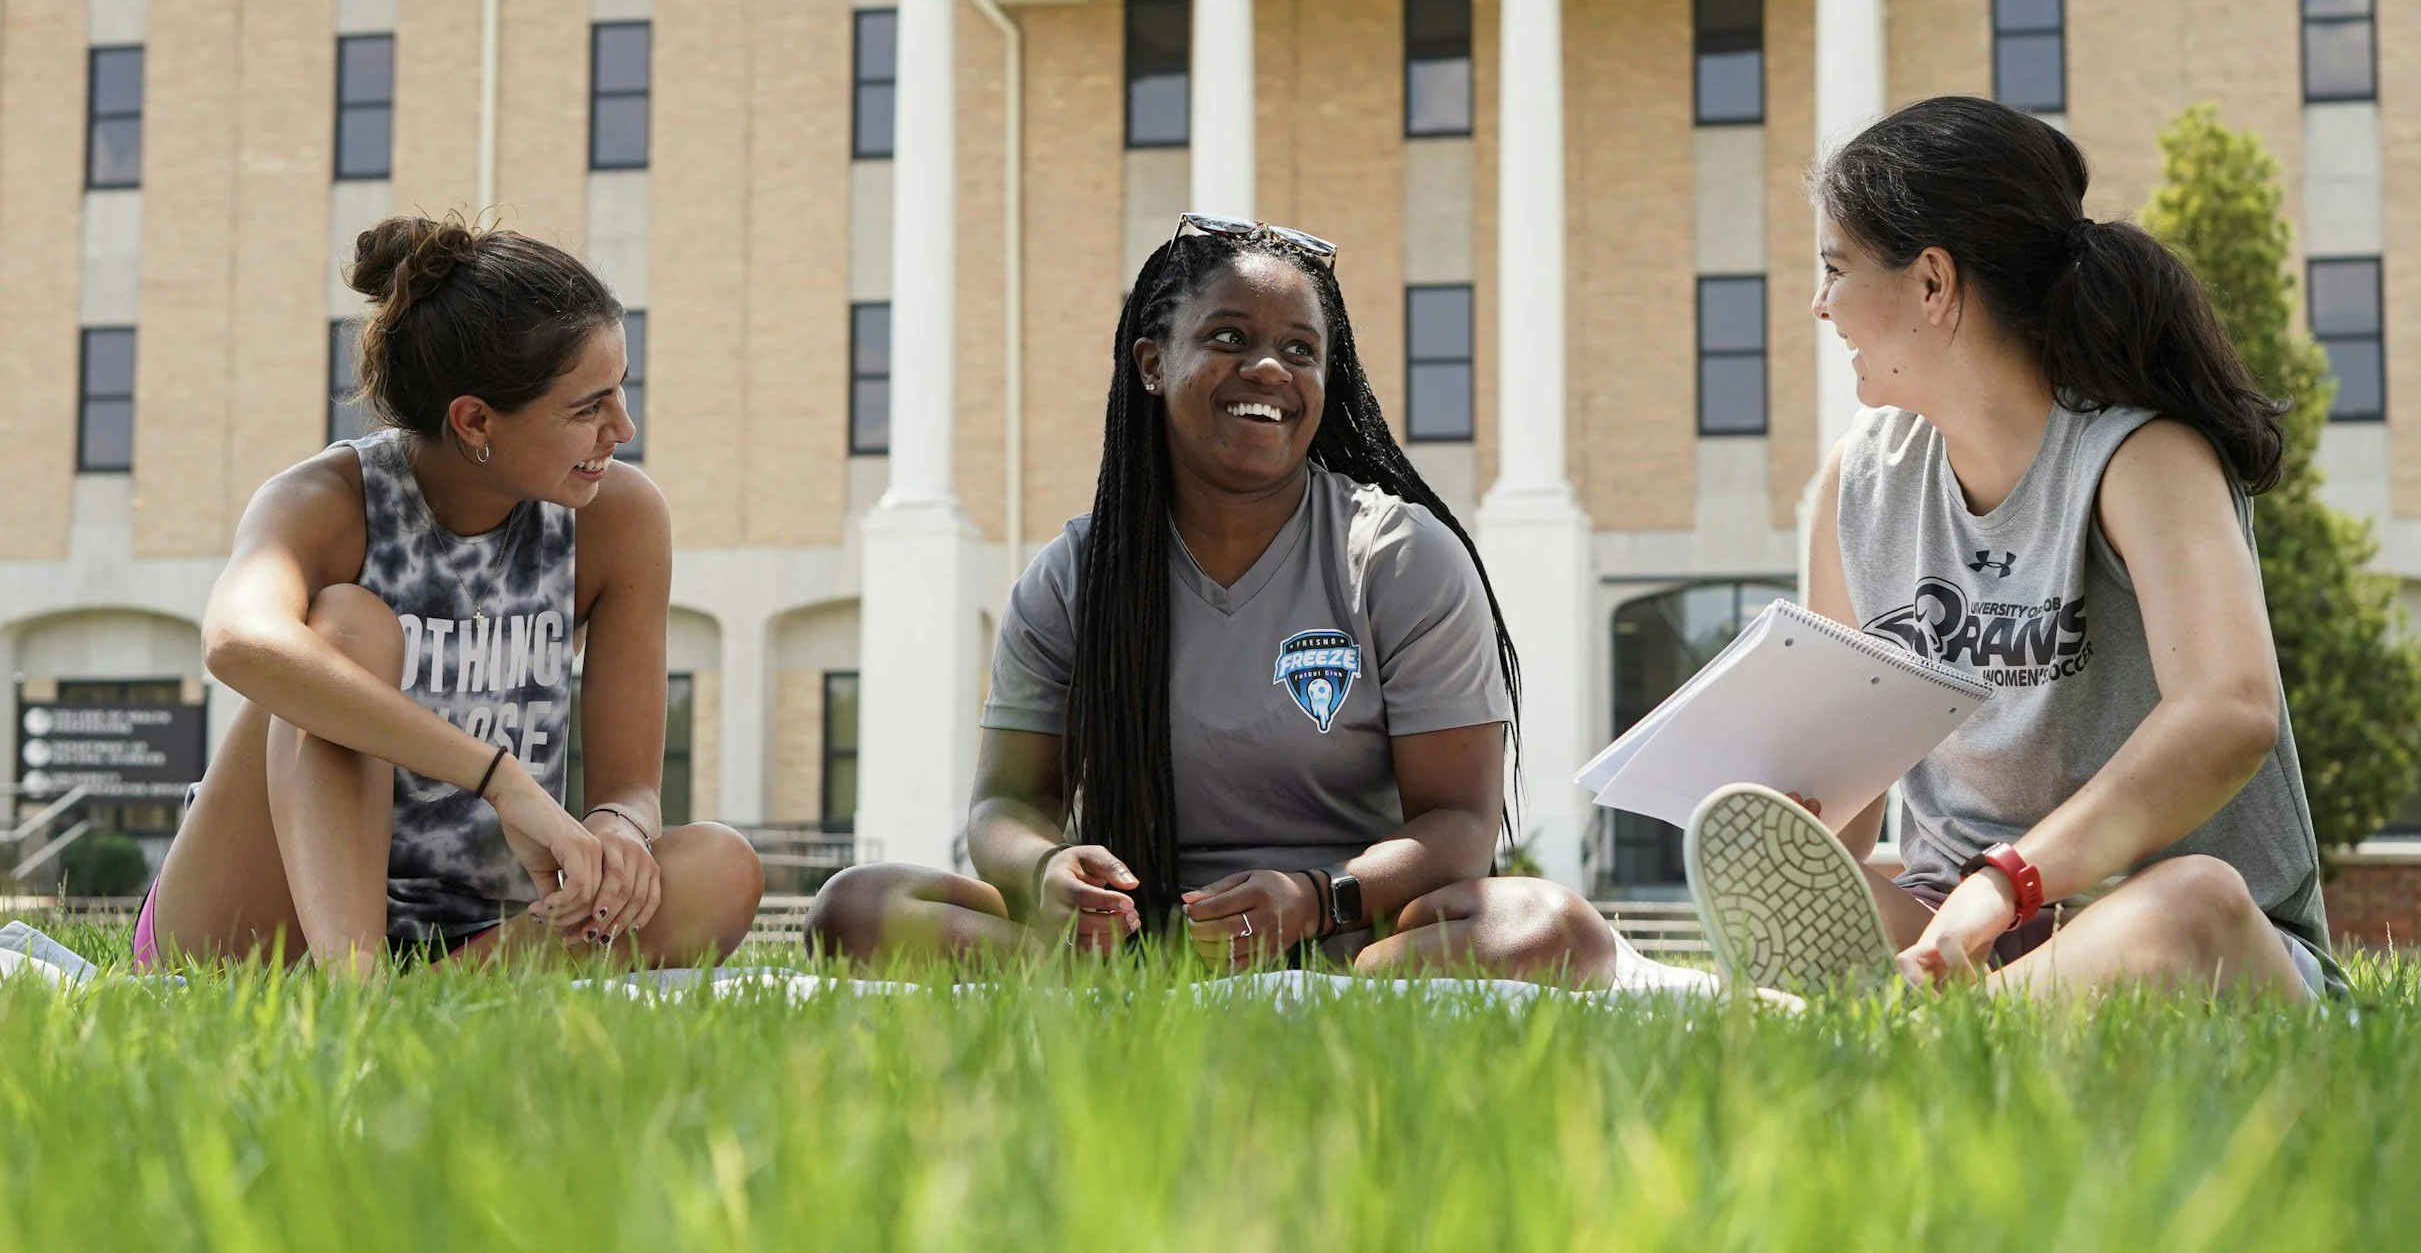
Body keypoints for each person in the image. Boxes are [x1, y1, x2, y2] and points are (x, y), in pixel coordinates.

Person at [809, 214, 1625, 984]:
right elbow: (1006, 804)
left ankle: (1332, 991)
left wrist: (1314, 895)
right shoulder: (1074, 574)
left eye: (1300, 349)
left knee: (1548, 924)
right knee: (854, 907)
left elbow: (1459, 825)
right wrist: (1046, 867)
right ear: (1152, 362)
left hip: (1346, 929)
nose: (1270, 369)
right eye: (1229, 337)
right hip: (1134, 942)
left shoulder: (1399, 556)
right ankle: (1135, 991)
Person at [1682, 95, 2337, 1001]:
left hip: (2180, 932)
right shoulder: (1857, 484)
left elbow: (2231, 712)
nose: (1819, 304)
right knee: (1801, 903)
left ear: (1932, 282)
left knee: (2190, 903)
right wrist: (1798, 822)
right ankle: (1945, 1028)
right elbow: (1857, 797)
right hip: (1956, 935)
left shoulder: (2142, 456)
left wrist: (2009, 880)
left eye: (1835, 268)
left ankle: (1920, 1042)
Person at [139, 212, 763, 972]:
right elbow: (237, 639)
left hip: (478, 932)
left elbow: (630, 785)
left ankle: (421, 1001)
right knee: (345, 628)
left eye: (620, 392)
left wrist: (619, 830)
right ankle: (354, 995)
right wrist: (502, 781)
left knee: (721, 869)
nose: (622, 427)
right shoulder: (327, 500)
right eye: (588, 407)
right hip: (261, 927)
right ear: (475, 421)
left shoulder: (619, 520)